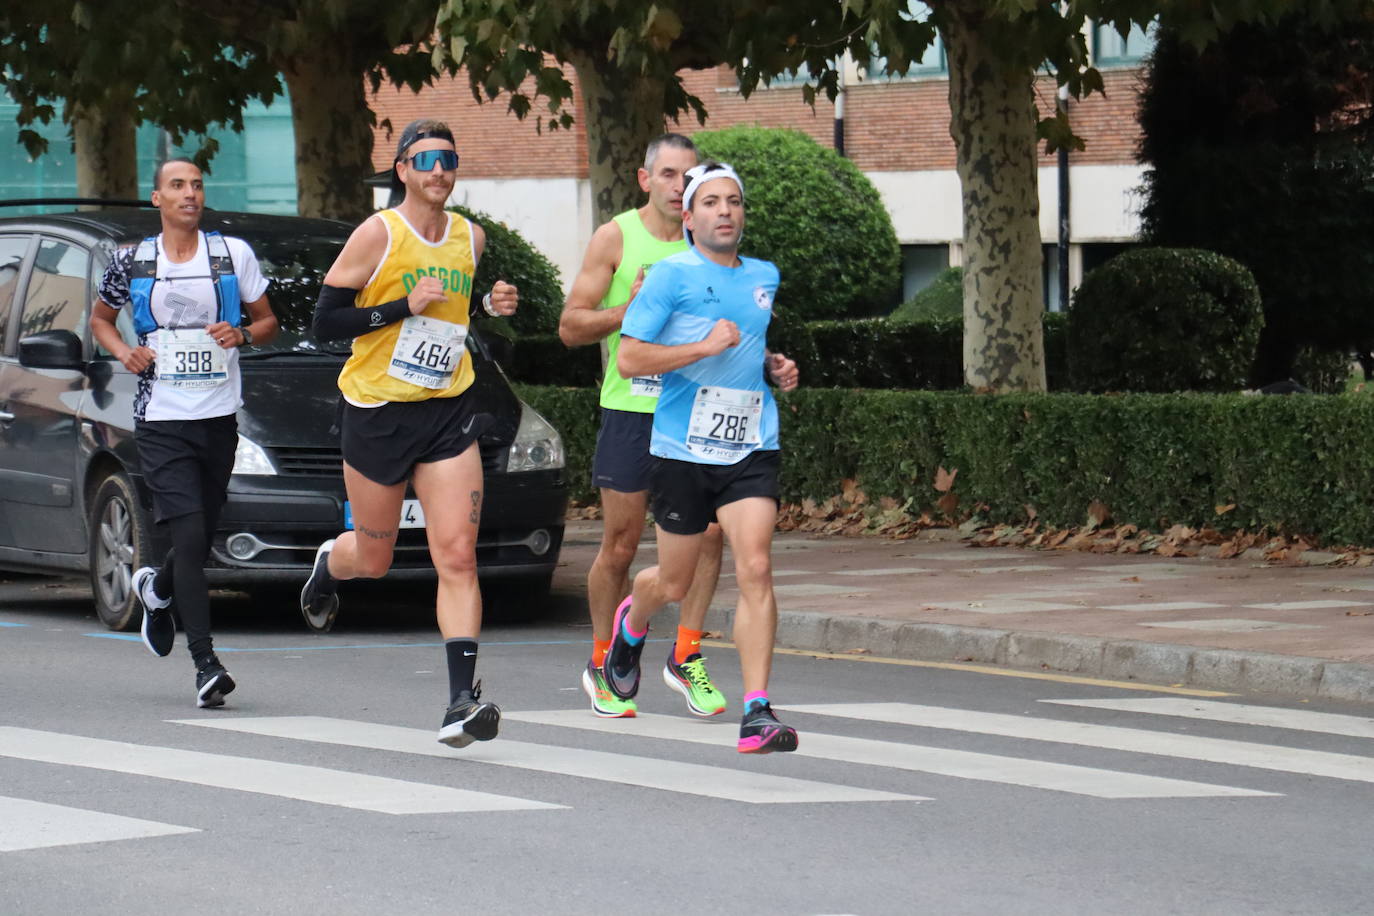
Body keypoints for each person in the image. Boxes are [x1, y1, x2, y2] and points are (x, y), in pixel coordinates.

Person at [559, 134, 797, 720]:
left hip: (733, 435)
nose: (681, 186)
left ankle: (705, 667)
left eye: (727, 197)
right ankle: (608, 655)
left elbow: (743, 345)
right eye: (672, 176)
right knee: (627, 551)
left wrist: (769, 367)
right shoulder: (622, 240)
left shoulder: (758, 273)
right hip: (642, 414)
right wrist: (640, 313)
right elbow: (579, 330)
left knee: (739, 552)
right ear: (651, 182)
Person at [299, 119, 518, 749]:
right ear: (402, 170)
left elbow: (459, 308)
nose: (439, 171)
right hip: (376, 413)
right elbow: (324, 324)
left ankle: (460, 701)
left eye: (448, 159)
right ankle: (328, 564)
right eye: (425, 160)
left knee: (456, 555)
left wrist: (491, 306)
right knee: (374, 559)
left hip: (446, 411)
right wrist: (400, 307)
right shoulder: (378, 234)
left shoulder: (471, 239)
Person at [90, 158, 279, 708]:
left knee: (202, 532)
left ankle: (157, 587)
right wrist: (126, 351)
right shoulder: (132, 260)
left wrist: (241, 332)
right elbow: (102, 318)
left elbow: (269, 322)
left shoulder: (231, 254)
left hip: (218, 418)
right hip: (162, 418)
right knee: (191, 540)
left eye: (196, 185)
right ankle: (206, 664)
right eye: (177, 186)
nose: (189, 194)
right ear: (157, 199)